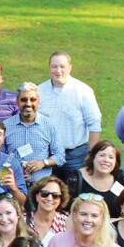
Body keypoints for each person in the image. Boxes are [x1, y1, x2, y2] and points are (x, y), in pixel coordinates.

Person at [37, 51, 101, 179]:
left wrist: (91, 154)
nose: (58, 70)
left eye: (62, 66)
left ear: (70, 68)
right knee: (47, 189)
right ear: (49, 68)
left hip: (76, 156)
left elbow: (94, 123)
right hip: (47, 155)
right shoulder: (39, 91)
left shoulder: (83, 91)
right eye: (54, 66)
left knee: (76, 189)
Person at [4, 82, 65, 184]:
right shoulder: (6, 126)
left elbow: (60, 156)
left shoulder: (49, 126)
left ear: (38, 102)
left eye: (33, 100)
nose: (28, 104)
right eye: (24, 100)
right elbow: (0, 157)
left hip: (41, 187)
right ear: (17, 101)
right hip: (13, 184)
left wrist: (43, 163)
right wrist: (15, 170)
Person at [72, 140, 124, 218]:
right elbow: (66, 209)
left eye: (111, 157)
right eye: (102, 155)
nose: (106, 160)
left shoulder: (121, 177)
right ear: (93, 157)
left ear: (116, 162)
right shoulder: (76, 178)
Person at [25, 176, 70, 247]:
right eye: (44, 194)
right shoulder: (22, 220)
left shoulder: (67, 223)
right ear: (37, 196)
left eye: (55, 195)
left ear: (60, 200)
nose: (49, 198)